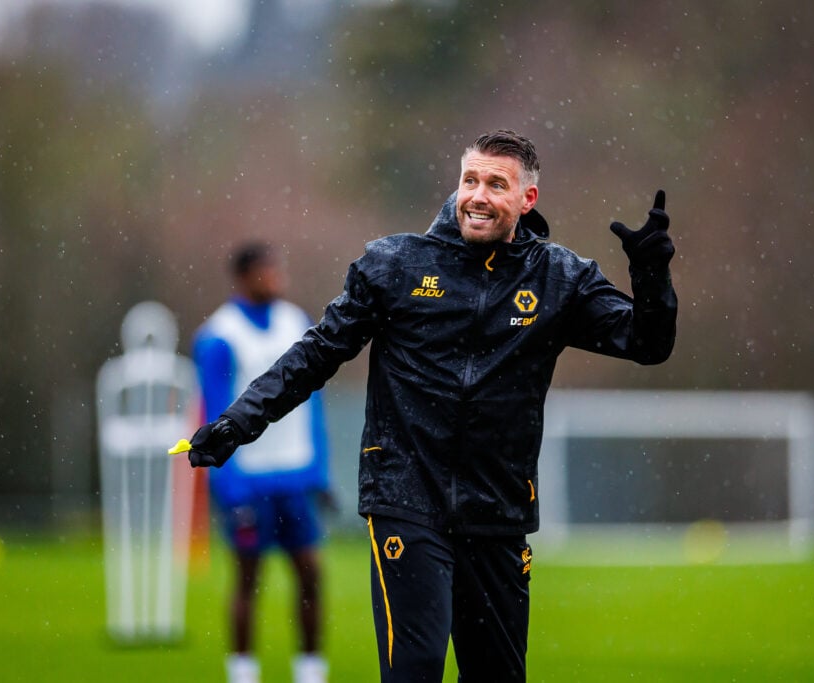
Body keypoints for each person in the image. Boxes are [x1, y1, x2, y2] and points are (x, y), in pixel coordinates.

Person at [187, 130, 677, 682]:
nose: (479, 195)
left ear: (527, 199)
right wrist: (236, 422)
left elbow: (647, 344)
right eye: (471, 179)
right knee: (415, 668)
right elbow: (316, 354)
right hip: (405, 496)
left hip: (498, 509)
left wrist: (651, 276)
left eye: (497, 183)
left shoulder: (560, 278)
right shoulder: (395, 263)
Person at [192, 242, 332, 683]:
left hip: (295, 475)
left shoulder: (297, 322)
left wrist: (319, 471)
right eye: (267, 271)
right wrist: (228, 485)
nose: (277, 277)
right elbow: (215, 412)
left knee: (310, 572)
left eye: (278, 268)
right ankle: (243, 670)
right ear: (245, 276)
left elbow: (313, 404)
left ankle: (310, 669)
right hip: (248, 479)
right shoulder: (219, 336)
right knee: (248, 577)